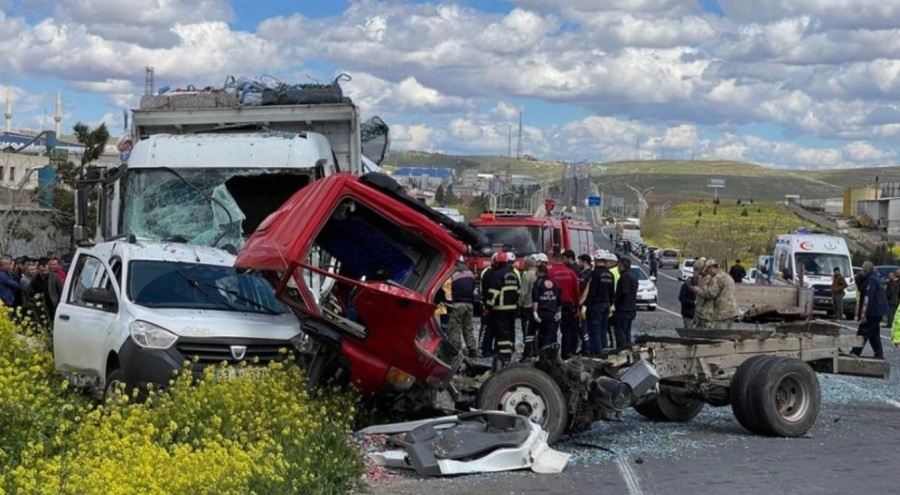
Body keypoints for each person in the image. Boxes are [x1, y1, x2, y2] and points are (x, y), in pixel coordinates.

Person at [482, 251, 520, 367]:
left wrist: (488, 306)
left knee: (502, 332)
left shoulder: (497, 274)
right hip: (512, 308)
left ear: (497, 262)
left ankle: (504, 354)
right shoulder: (513, 274)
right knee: (509, 330)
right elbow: (518, 291)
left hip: (500, 308)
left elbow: (494, 292)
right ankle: (508, 351)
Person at [581, 250, 616, 355]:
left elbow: (592, 291)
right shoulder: (610, 274)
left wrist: (586, 305)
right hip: (606, 304)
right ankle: (604, 350)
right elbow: (612, 292)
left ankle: (597, 352)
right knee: (603, 329)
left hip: (596, 305)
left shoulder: (594, 274)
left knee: (594, 329)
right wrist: (610, 304)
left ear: (596, 260)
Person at [851, 262, 888, 359]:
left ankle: (855, 353)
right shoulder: (876, 278)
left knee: (863, 332)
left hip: (872, 312)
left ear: (866, 270)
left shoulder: (870, 280)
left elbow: (868, 298)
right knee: (874, 335)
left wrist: (863, 315)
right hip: (878, 311)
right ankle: (879, 354)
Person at [549, 251, 581, 358]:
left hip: (553, 304)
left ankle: (552, 354)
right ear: (562, 260)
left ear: (553, 260)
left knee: (552, 329)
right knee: (567, 331)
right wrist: (576, 307)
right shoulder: (571, 273)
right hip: (568, 304)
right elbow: (576, 292)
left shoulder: (551, 272)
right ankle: (566, 354)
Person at [692, 259, 737, 329]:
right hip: (730, 310)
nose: (708, 273)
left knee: (719, 335)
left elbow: (711, 293)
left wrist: (699, 291)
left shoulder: (717, 278)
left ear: (711, 268)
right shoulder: (726, 276)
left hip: (722, 313)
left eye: (707, 270)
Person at [449, 262, 477, 358]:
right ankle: (472, 349)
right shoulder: (470, 274)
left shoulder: (453, 275)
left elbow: (449, 289)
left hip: (457, 304)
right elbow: (473, 287)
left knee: (455, 328)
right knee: (468, 327)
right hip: (469, 304)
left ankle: (455, 350)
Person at [531, 263, 562, 350]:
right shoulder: (555, 283)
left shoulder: (538, 282)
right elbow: (559, 298)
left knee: (540, 333)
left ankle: (541, 354)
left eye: (536, 271)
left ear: (540, 272)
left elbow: (535, 299)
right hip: (551, 312)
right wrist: (559, 311)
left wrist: (534, 312)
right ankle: (550, 353)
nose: (535, 273)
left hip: (541, 312)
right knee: (550, 334)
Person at [611, 257, 637, 350]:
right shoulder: (633, 276)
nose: (617, 268)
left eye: (618, 265)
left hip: (623, 309)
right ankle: (628, 350)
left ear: (622, 265)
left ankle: (622, 351)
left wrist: (615, 300)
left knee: (620, 332)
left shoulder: (624, 277)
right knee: (627, 333)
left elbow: (623, 292)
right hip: (631, 308)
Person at [518, 256, 538, 360]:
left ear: (528, 264)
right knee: (535, 330)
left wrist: (519, 304)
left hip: (527, 306)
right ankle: (535, 350)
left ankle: (528, 353)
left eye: (524, 263)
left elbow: (523, 293)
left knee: (527, 330)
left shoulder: (526, 276)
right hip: (536, 306)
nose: (523, 265)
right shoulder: (538, 274)